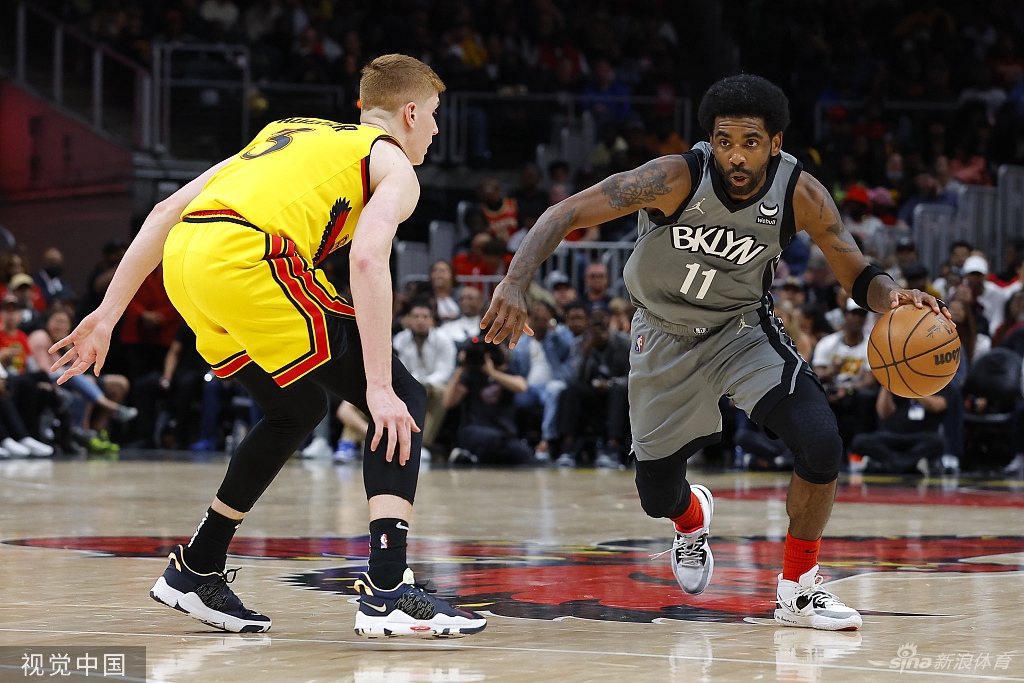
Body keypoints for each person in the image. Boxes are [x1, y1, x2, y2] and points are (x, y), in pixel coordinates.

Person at [482, 74, 949, 631]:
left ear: (775, 143)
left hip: (740, 330)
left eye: (750, 142)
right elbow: (564, 212)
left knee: (821, 442)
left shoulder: (800, 194)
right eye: (724, 141)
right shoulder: (673, 177)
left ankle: (799, 588)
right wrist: (514, 282)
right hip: (663, 334)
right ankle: (691, 516)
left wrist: (892, 296)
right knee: (657, 496)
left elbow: (857, 272)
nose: (736, 155)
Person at [49, 54, 485, 638]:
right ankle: (388, 589)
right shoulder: (394, 166)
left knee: (296, 407)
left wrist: (106, 315)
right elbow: (366, 259)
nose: (433, 129)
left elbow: (166, 209)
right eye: (433, 115)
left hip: (188, 262)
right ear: (410, 113)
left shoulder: (287, 130)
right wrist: (379, 387)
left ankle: (197, 567)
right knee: (404, 395)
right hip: (250, 259)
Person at [442, 338, 531, 466]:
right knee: (491, 440)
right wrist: (461, 367)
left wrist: (492, 373)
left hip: (503, 432)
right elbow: (448, 403)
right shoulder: (470, 375)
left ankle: (471, 457)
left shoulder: (505, 372)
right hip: (475, 430)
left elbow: (521, 386)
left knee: (521, 452)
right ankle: (469, 456)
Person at [391, 303, 456, 453]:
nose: (420, 321)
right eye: (416, 317)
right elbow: (399, 368)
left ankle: (422, 444)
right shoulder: (400, 339)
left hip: (435, 384)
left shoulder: (443, 339)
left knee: (441, 393)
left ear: (432, 321)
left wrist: (425, 383)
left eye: (425, 317)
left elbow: (445, 370)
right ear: (408, 319)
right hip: (409, 383)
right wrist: (415, 383)